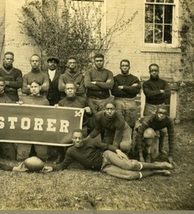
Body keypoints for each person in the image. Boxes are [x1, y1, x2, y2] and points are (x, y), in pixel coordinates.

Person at [42, 129, 173, 180]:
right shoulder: (71, 151)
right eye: (75, 138)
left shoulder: (91, 141)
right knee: (129, 175)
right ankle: (157, 172)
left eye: (79, 138)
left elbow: (106, 146)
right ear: (72, 139)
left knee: (129, 165)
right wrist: (52, 168)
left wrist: (117, 151)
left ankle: (157, 165)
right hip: (103, 167)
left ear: (83, 138)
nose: (77, 140)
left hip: (107, 156)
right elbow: (63, 165)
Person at [54, 82, 93, 163]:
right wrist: (56, 109)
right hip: (67, 127)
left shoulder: (82, 101)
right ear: (65, 91)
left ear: (75, 90)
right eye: (68, 89)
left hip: (81, 126)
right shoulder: (61, 102)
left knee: (82, 139)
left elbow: (91, 115)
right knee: (58, 133)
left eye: (72, 88)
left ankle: (81, 157)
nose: (70, 90)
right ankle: (61, 155)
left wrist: (88, 111)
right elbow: (58, 117)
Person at [17, 81, 49, 161]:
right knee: (21, 157)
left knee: (42, 157)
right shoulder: (24, 100)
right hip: (26, 130)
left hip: (39, 129)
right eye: (32, 87)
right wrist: (18, 107)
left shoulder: (45, 101)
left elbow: (48, 115)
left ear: (40, 88)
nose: (34, 89)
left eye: (36, 87)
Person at [143, 63, 171, 154]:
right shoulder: (146, 83)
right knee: (147, 128)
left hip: (161, 107)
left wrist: (154, 95)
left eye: (155, 70)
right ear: (149, 72)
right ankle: (146, 148)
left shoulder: (164, 82)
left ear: (158, 71)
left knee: (163, 130)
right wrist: (159, 92)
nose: (154, 72)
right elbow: (148, 94)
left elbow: (168, 94)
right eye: (152, 71)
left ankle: (160, 148)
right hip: (149, 107)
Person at [111, 59, 141, 129]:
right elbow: (114, 91)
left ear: (129, 67)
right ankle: (119, 139)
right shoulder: (115, 78)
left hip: (131, 102)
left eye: (126, 66)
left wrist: (123, 87)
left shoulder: (134, 78)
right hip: (118, 101)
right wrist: (130, 88)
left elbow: (136, 91)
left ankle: (129, 139)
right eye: (123, 66)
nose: (124, 67)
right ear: (120, 67)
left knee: (130, 124)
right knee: (118, 123)